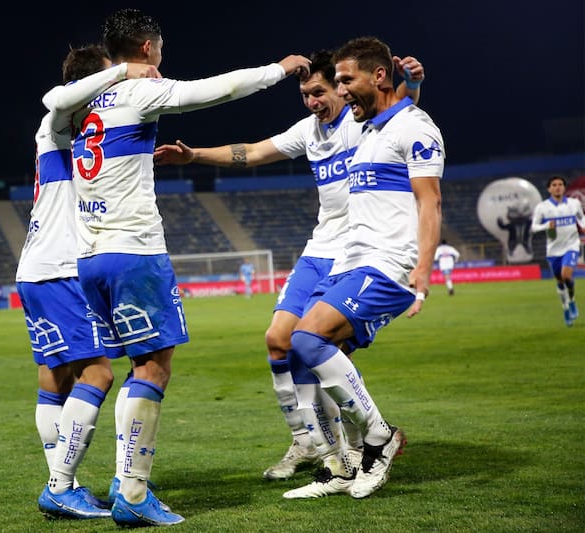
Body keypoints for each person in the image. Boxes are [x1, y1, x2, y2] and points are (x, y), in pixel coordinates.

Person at [70, 8, 310, 527]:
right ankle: (134, 493)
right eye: (160, 47)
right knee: (152, 368)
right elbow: (216, 90)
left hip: (90, 256)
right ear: (148, 47)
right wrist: (278, 69)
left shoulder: (84, 101)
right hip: (133, 252)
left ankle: (125, 481)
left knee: (137, 367)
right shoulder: (138, 92)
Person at [154, 49, 425, 494]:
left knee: (317, 346)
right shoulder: (309, 131)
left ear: (341, 88)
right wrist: (194, 155)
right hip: (319, 249)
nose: (311, 102)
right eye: (304, 95)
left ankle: (351, 450)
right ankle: (312, 444)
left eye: (318, 92)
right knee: (279, 339)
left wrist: (411, 85)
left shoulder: (361, 122)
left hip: (357, 251)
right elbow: (253, 152)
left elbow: (400, 114)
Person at [286, 36, 444, 499]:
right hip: (351, 261)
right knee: (315, 352)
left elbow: (430, 202)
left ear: (378, 75)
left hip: (388, 263)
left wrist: (424, 269)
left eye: (345, 80)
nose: (340, 90)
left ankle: (379, 438)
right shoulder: (370, 129)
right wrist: (411, 86)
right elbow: (393, 105)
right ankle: (349, 465)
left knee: (307, 338)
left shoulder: (415, 127)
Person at [16, 44, 161, 520]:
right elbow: (57, 97)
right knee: (99, 373)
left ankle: (66, 485)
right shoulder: (60, 119)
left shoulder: (67, 128)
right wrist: (123, 71)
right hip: (59, 266)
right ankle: (60, 485)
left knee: (54, 378)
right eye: (105, 80)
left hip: (36, 265)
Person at [531, 176, 584, 327]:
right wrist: (546, 225)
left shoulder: (574, 203)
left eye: (560, 184)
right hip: (554, 250)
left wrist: (583, 226)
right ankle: (565, 308)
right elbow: (534, 227)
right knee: (560, 281)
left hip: (571, 245)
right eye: (554, 185)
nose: (558, 187)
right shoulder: (542, 207)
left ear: (564, 188)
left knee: (566, 276)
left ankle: (572, 301)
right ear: (549, 189)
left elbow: (581, 218)